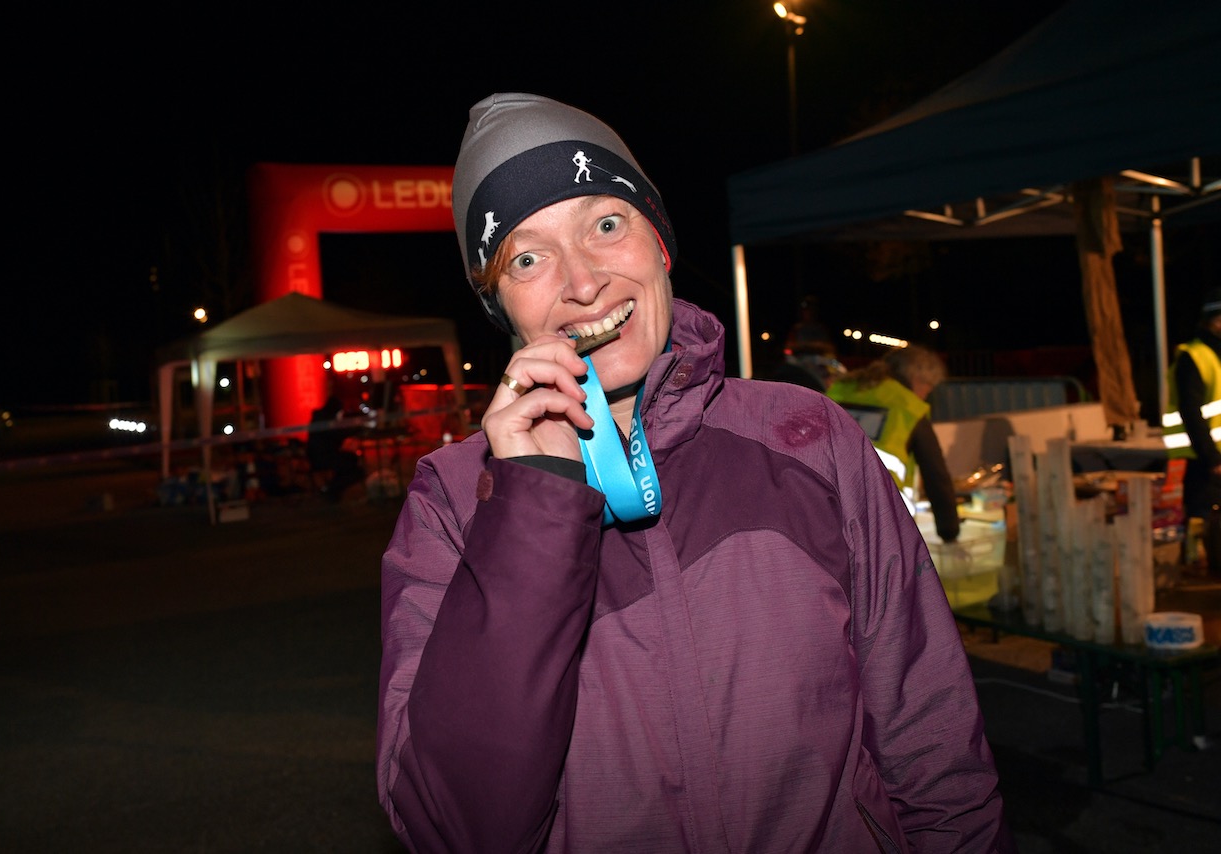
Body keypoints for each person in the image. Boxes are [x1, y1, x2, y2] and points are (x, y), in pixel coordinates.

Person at [377, 93, 1011, 852]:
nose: (582, 283)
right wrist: (531, 505)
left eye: (606, 225)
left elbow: (931, 740)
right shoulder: (451, 501)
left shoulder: (809, 438)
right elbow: (456, 829)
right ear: (500, 304)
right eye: (528, 256)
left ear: (661, 244)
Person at [826, 345, 962, 544]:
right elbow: (936, 478)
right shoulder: (907, 408)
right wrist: (949, 532)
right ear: (918, 379)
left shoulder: (839, 391)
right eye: (928, 389)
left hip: (828, 514)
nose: (925, 397)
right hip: (880, 524)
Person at [1163, 288, 1221, 542]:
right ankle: (1193, 565)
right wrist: (1212, 458)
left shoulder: (1214, 356)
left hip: (1211, 458)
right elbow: (1191, 412)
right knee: (1200, 521)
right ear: (1215, 320)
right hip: (1198, 460)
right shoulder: (1194, 357)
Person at [305, 393, 362, 501]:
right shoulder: (325, 420)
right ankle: (332, 490)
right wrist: (355, 429)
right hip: (322, 456)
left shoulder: (321, 417)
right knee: (354, 468)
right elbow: (336, 434)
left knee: (350, 463)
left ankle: (332, 490)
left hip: (321, 455)